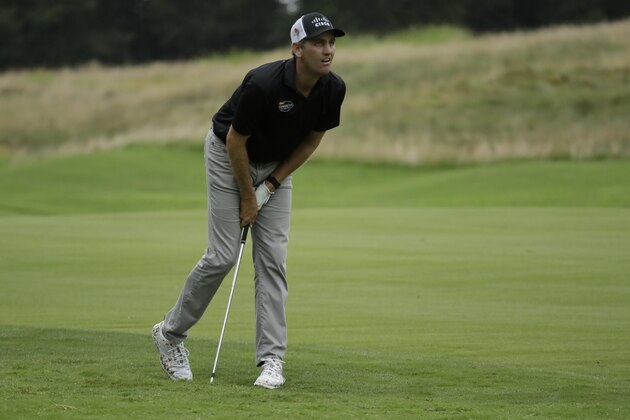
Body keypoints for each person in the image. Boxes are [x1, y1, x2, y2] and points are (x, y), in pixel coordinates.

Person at [152, 12, 346, 389]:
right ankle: (170, 335)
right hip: (229, 157)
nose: (328, 51)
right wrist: (247, 196)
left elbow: (311, 140)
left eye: (332, 43)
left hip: (275, 166)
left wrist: (271, 184)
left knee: (272, 258)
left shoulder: (333, 88)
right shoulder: (263, 84)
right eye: (318, 43)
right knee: (223, 256)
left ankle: (272, 360)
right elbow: (235, 141)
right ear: (297, 48)